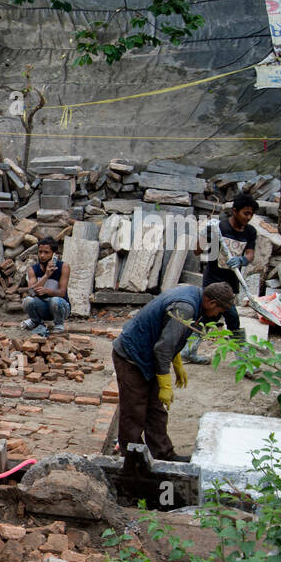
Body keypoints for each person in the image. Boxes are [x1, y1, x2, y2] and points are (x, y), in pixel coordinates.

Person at [112, 282, 235, 462]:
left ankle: (164, 455)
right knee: (134, 411)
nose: (218, 315)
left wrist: (176, 360)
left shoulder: (195, 296)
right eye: (219, 311)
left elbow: (168, 335)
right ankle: (132, 459)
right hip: (131, 356)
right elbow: (163, 348)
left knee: (156, 410)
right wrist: (165, 382)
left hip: (149, 356)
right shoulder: (185, 307)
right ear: (211, 302)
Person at [184, 194, 256, 363]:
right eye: (246, 213)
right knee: (232, 317)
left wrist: (243, 260)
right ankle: (244, 361)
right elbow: (196, 251)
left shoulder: (250, 231)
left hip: (231, 282)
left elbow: (250, 253)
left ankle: (188, 350)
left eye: (251, 214)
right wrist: (204, 234)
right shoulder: (219, 228)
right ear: (234, 211)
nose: (249, 218)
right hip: (214, 281)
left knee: (208, 318)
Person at [20, 237, 71, 337]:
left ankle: (59, 324)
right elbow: (32, 291)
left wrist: (47, 291)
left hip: (60, 306)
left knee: (55, 301)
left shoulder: (64, 267)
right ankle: (36, 321)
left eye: (46, 252)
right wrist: (46, 275)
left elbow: (62, 292)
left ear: (53, 254)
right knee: (27, 301)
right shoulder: (33, 269)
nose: (42, 255)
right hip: (43, 306)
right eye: (40, 252)